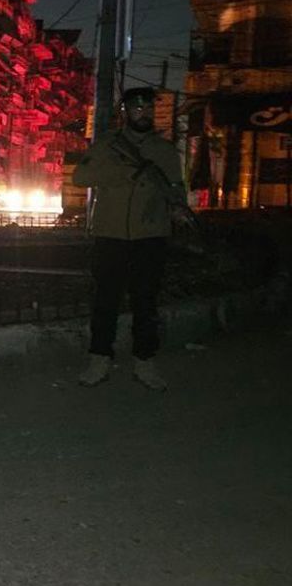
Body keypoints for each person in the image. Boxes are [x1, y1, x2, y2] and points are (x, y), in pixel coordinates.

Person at [72, 86, 186, 391]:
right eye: (137, 108)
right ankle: (99, 360)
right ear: (125, 112)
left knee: (146, 303)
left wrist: (175, 207)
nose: (143, 113)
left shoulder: (165, 150)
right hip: (110, 235)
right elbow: (80, 177)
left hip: (150, 236)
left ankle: (145, 362)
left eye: (148, 109)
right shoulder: (107, 146)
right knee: (105, 301)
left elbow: (177, 188)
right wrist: (120, 174)